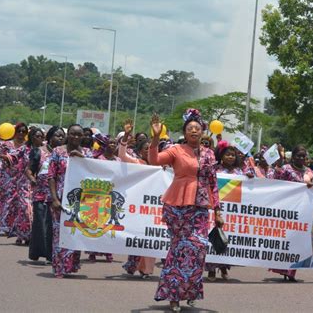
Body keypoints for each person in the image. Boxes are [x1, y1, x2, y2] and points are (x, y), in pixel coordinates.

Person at [149, 109, 223, 312]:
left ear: (202, 132)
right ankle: (173, 295)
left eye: (197, 128)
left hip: (200, 206)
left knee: (198, 248)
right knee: (179, 248)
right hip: (177, 205)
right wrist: (155, 139)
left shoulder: (208, 153)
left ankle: (190, 292)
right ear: (184, 131)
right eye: (189, 128)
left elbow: (213, 182)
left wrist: (217, 210)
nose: (193, 131)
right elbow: (154, 160)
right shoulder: (176, 150)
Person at [48, 124, 93, 278]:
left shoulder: (87, 153)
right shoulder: (58, 151)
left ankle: (71, 265)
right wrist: (54, 198)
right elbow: (51, 176)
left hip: (81, 200)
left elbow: (95, 172)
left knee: (75, 232)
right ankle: (59, 267)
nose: (75, 137)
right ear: (68, 135)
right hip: (61, 198)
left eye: (79, 134)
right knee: (59, 233)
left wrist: (83, 160)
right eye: (72, 134)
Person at [270, 145, 313, 281]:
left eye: (303, 156)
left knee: (298, 240)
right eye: (298, 156)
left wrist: (311, 185)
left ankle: (291, 271)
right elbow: (276, 182)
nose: (301, 158)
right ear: (293, 157)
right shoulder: (286, 169)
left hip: (302, 210)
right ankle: (283, 268)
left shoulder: (309, 171)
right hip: (287, 209)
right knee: (286, 238)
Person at [119, 122, 155, 279]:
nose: (149, 151)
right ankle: (133, 264)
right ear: (140, 151)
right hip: (137, 205)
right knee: (136, 235)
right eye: (146, 149)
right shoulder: (136, 162)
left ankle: (146, 270)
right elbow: (121, 155)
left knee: (151, 237)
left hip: (153, 207)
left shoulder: (160, 165)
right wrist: (126, 136)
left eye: (151, 149)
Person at [26, 126, 65, 262]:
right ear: (49, 137)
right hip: (41, 194)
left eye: (62, 136)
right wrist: (32, 179)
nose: (60, 138)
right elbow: (29, 170)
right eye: (57, 135)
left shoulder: (64, 153)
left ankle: (51, 255)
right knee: (41, 225)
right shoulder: (39, 152)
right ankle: (38, 252)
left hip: (57, 195)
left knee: (52, 227)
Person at [205, 145, 242, 281]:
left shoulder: (239, 172)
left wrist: (249, 177)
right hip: (215, 207)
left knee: (227, 238)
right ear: (221, 156)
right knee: (214, 237)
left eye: (233, 155)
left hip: (232, 212)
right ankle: (211, 270)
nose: (230, 157)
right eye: (227, 154)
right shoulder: (215, 170)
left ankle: (224, 267)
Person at [0, 122, 33, 244]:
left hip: (23, 179)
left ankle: (20, 230)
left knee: (22, 206)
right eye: (19, 131)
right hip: (7, 178)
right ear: (14, 132)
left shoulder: (29, 146)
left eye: (24, 131)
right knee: (8, 204)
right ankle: (8, 227)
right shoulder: (6, 144)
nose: (21, 134)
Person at [86, 134, 119, 263]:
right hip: (97, 195)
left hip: (111, 196)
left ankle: (107, 252)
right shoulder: (98, 158)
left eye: (114, 143)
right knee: (95, 224)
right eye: (110, 143)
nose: (113, 145)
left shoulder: (118, 161)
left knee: (108, 225)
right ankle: (92, 251)